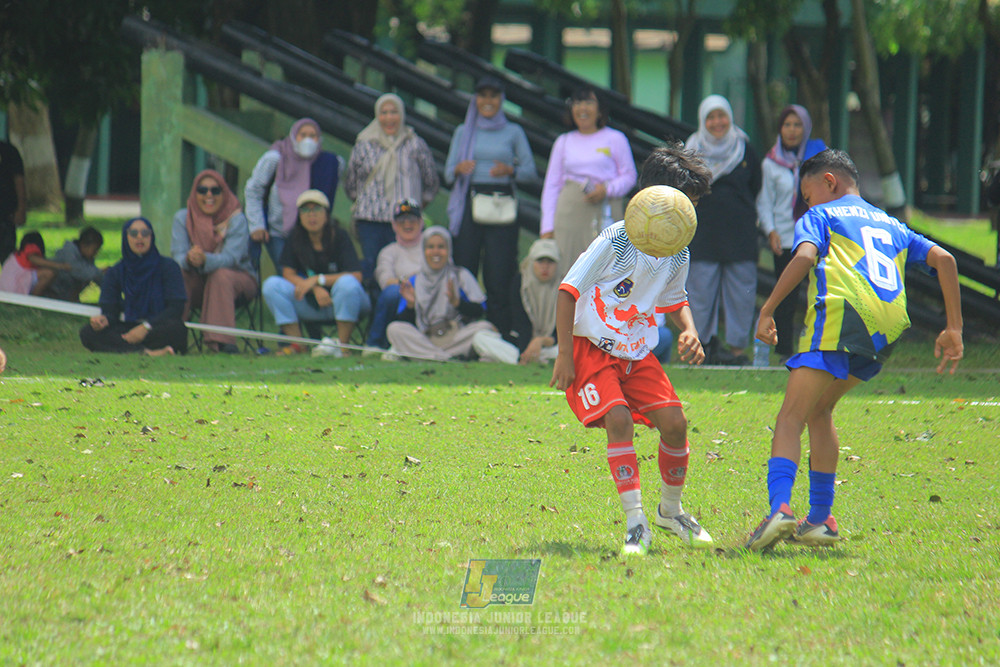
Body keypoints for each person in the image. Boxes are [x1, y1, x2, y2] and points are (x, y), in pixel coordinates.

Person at [745, 149, 964, 552]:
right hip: (887, 331)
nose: (807, 205)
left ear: (828, 182)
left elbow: (805, 256)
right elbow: (945, 259)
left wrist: (768, 308)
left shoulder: (821, 216)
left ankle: (779, 509)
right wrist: (954, 327)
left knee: (790, 417)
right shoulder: (891, 223)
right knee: (820, 410)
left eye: (808, 195)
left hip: (843, 316)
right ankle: (820, 520)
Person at [549, 145, 714, 556]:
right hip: (592, 349)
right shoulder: (617, 239)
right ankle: (636, 522)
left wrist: (690, 330)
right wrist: (565, 354)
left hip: (637, 353)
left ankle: (670, 511)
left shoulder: (679, 247)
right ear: (659, 200)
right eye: (687, 203)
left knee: (675, 424)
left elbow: (674, 299)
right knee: (618, 419)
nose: (691, 215)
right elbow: (569, 291)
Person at [445, 75, 537, 334]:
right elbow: (448, 173)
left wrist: (511, 170)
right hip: (469, 203)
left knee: (499, 272)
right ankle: (464, 329)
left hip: (501, 206)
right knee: (465, 266)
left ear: (501, 100)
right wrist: (460, 168)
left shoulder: (513, 132)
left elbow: (530, 171)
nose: (487, 101)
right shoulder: (464, 131)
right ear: (475, 99)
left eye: (493, 96)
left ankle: (499, 331)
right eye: (482, 95)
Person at [684, 95, 762, 365]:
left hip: (740, 235)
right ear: (703, 121)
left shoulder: (744, 149)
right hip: (703, 236)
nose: (717, 123)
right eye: (711, 117)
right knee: (700, 294)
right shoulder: (690, 152)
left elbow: (756, 187)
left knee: (741, 296)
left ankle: (738, 351)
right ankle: (701, 349)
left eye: (721, 116)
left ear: (730, 117)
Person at [539, 86, 637, 276]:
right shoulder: (564, 141)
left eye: (589, 102)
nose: (582, 108)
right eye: (577, 102)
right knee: (569, 272)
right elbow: (552, 185)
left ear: (600, 110)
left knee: (607, 270)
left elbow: (629, 176)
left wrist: (607, 189)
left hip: (606, 210)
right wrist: (547, 227)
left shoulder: (615, 139)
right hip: (569, 216)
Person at [260, 190, 370, 357]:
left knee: (347, 284)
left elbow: (356, 276)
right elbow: (287, 273)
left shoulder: (339, 236)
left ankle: (343, 348)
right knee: (271, 285)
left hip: (345, 301)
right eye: (305, 210)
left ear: (326, 214)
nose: (311, 216)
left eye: (316, 210)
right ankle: (299, 345)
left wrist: (318, 280)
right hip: (311, 302)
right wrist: (313, 287)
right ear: (299, 215)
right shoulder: (295, 237)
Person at [343, 94, 440, 282]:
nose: (389, 118)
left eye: (394, 112)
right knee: (373, 269)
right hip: (370, 221)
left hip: (406, 222)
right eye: (384, 113)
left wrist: (414, 206)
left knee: (403, 270)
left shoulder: (415, 144)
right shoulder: (364, 144)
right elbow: (351, 185)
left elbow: (431, 182)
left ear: (402, 115)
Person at [756, 105, 827, 361]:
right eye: (787, 124)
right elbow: (765, 201)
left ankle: (818, 346)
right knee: (785, 297)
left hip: (817, 237)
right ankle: (783, 348)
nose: (792, 130)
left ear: (806, 128)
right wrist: (770, 230)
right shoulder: (771, 162)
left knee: (819, 293)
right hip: (786, 238)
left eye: (797, 125)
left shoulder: (819, 160)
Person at [171, 170, 258, 354]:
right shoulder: (182, 218)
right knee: (178, 274)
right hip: (197, 282)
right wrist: (189, 259)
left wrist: (204, 259)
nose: (208, 195)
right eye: (202, 190)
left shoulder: (236, 219)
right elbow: (177, 256)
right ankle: (172, 338)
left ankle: (222, 342)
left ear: (224, 192)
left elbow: (232, 258)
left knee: (220, 275)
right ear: (194, 194)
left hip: (238, 280)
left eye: (215, 190)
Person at [79, 217, 188, 356]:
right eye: (134, 233)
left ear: (151, 236)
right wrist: (103, 320)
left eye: (145, 233)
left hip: (157, 326)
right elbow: (110, 311)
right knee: (88, 333)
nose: (140, 237)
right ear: (126, 237)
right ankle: (145, 352)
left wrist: (146, 327)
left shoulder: (169, 267)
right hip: (128, 327)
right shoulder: (116, 272)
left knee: (177, 329)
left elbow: (176, 308)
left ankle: (125, 347)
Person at [385, 226, 495, 362]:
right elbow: (405, 322)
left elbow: (480, 311)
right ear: (423, 251)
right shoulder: (414, 280)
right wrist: (410, 305)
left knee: (484, 327)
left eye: (441, 247)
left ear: (449, 250)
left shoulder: (460, 275)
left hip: (456, 338)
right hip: (425, 338)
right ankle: (446, 358)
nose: (436, 252)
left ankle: (429, 357)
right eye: (430, 247)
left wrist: (458, 303)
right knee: (394, 329)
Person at [244, 118, 341, 267]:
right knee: (287, 275)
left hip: (311, 235)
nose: (307, 140)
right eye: (303, 135)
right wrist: (257, 225)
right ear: (293, 136)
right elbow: (253, 190)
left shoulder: (327, 163)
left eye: (312, 136)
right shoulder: (275, 158)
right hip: (278, 232)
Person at [471, 238, 560, 365]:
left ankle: (527, 359)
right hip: (521, 343)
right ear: (531, 262)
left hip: (551, 345)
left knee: (572, 348)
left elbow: (563, 333)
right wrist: (526, 350)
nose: (545, 267)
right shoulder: (521, 283)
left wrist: (541, 341)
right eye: (540, 261)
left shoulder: (565, 287)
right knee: (480, 337)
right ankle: (531, 359)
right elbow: (521, 325)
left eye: (550, 262)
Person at [366, 199, 425, 350]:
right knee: (391, 293)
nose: (407, 224)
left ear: (421, 222)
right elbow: (385, 281)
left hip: (430, 293)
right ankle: (376, 343)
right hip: (402, 296)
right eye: (402, 220)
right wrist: (412, 281)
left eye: (412, 219)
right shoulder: (388, 251)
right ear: (394, 225)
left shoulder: (432, 245)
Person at [44, 226, 105, 302]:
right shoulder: (69, 252)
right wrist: (99, 272)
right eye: (95, 250)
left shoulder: (87, 258)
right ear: (84, 245)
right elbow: (77, 271)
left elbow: (96, 277)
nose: (96, 253)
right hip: (55, 289)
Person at [0, 231, 70, 295]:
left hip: (6, 288)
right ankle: (34, 299)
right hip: (14, 286)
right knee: (50, 273)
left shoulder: (16, 256)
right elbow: (34, 259)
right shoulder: (30, 247)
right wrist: (60, 266)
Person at [0, 140, 26, 264]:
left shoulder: (8, 151)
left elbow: (19, 181)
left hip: (5, 216)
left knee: (8, 260)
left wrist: (21, 209)